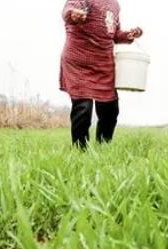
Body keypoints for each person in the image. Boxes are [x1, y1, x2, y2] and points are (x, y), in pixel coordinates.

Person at [60, 0, 143, 149]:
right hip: (79, 61)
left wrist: (128, 35)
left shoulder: (114, 5)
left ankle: (103, 148)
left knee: (110, 109)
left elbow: (114, 33)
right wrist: (74, 14)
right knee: (83, 107)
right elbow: (68, 10)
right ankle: (80, 151)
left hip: (103, 64)